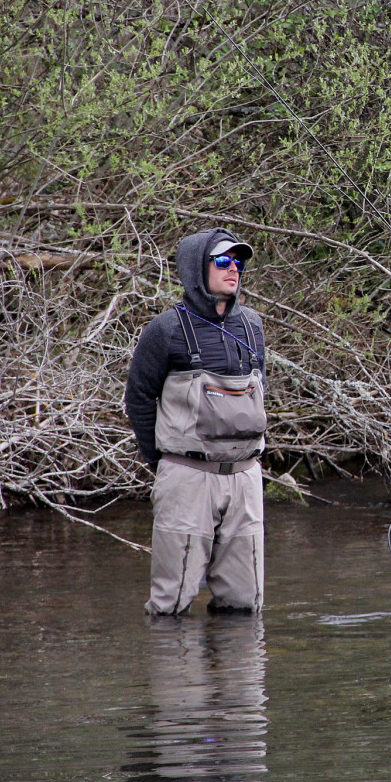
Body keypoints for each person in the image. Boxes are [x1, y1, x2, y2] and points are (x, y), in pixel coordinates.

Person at [125, 228, 268, 615]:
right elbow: (137, 398)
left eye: (238, 261)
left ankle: (239, 674)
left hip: (246, 477)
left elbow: (261, 389)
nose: (233, 269)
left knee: (246, 603)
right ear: (195, 269)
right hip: (186, 477)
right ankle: (178, 673)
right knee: (171, 605)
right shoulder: (164, 330)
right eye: (222, 261)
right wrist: (164, 465)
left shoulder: (253, 325)